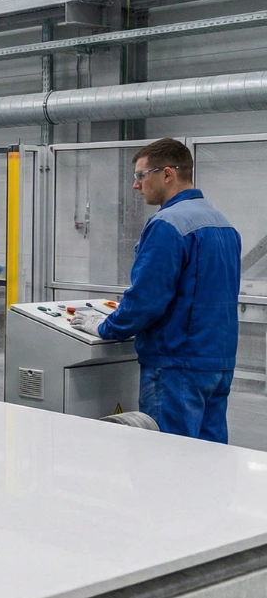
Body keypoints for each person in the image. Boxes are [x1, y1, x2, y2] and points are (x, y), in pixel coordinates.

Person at [69, 138, 241, 443]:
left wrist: (106, 326)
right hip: (217, 362)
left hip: (176, 366)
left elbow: (147, 299)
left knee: (167, 458)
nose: (136, 185)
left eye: (140, 175)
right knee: (210, 460)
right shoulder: (223, 223)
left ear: (167, 175)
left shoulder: (167, 224)